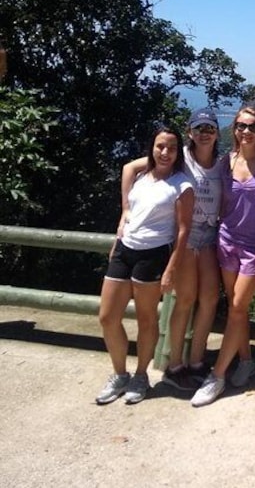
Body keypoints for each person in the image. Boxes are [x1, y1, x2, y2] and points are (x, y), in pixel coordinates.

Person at [120, 109, 224, 391]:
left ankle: (197, 361)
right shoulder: (181, 159)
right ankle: (175, 365)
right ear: (190, 132)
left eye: (210, 128)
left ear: (217, 133)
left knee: (210, 298)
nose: (205, 133)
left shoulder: (223, 164)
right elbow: (130, 168)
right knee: (186, 299)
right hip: (186, 238)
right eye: (199, 127)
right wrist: (125, 212)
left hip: (211, 236)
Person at [96, 126, 194, 404]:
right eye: (160, 146)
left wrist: (172, 267)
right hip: (125, 249)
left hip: (152, 256)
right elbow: (129, 194)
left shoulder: (181, 185)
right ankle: (119, 374)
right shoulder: (140, 178)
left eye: (172, 148)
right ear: (151, 148)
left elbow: (183, 230)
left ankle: (141, 375)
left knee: (146, 318)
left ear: (178, 153)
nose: (165, 152)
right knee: (107, 317)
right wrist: (121, 225)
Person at [192, 107, 255, 407]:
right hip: (225, 241)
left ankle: (217, 375)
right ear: (234, 129)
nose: (246, 131)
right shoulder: (226, 161)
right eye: (241, 125)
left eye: (252, 126)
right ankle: (246, 359)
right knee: (234, 305)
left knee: (238, 307)